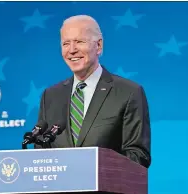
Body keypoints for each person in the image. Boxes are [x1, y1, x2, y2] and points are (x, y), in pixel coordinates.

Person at [35, 15, 151, 168]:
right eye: (66, 43)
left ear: (99, 45)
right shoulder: (50, 96)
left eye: (79, 42)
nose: (72, 50)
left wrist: (92, 166)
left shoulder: (128, 92)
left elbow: (138, 156)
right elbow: (40, 154)